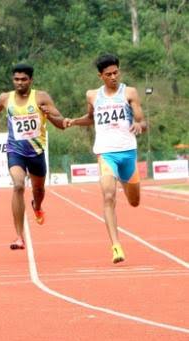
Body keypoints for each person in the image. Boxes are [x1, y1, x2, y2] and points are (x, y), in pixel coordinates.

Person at [0, 64, 68, 250]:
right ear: (13, 80)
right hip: (15, 151)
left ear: (31, 81)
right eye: (16, 79)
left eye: (23, 79)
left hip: (37, 152)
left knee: (38, 191)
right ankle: (19, 236)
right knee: (18, 185)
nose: (19, 83)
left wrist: (49, 115)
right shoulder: (6, 98)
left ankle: (37, 206)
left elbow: (62, 123)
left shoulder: (41, 97)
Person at [56, 54, 147, 264]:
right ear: (101, 76)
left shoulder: (129, 92)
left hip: (128, 153)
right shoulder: (93, 96)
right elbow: (90, 118)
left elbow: (142, 121)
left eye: (116, 72)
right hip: (106, 153)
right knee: (108, 196)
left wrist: (139, 126)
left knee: (134, 202)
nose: (113, 77)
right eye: (109, 74)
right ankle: (116, 246)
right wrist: (74, 121)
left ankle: (127, 184)